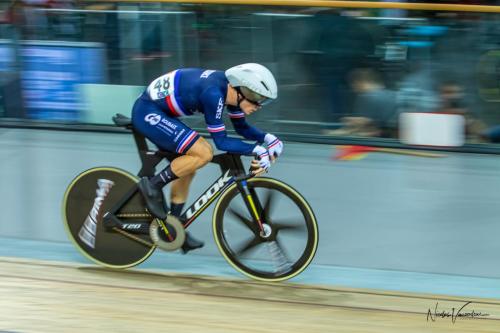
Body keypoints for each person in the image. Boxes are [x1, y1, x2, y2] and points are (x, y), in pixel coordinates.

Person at [131, 63, 284, 254]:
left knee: (188, 166)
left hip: (161, 112)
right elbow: (221, 142)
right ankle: (152, 186)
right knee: (204, 152)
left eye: (263, 100)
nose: (259, 105)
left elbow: (241, 128)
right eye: (257, 98)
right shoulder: (213, 94)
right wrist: (258, 150)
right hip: (147, 111)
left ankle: (173, 226)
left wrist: (269, 139)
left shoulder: (232, 93)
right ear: (242, 89)